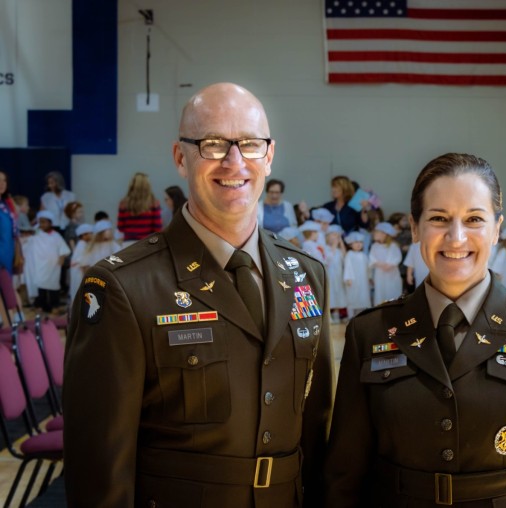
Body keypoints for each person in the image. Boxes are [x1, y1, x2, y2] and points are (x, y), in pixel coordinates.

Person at [63, 82, 333, 508]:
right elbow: (98, 466)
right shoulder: (123, 288)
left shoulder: (307, 274)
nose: (234, 161)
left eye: (249, 143)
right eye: (212, 144)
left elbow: (315, 432)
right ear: (179, 158)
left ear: (269, 154)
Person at [324, 152, 506, 507]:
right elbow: (344, 474)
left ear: (497, 228)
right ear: (415, 227)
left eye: (474, 219)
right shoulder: (371, 332)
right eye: (439, 218)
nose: (456, 238)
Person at [22, 210, 71, 313]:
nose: (42, 224)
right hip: (39, 266)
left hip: (53, 266)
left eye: (44, 222)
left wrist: (61, 259)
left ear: (50, 223)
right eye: (40, 222)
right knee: (40, 286)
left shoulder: (56, 235)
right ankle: (39, 306)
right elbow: (27, 242)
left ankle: (54, 306)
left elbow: (63, 249)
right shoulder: (36, 234)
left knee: (53, 286)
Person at [117, 172, 163, 247]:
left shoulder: (123, 204)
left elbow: (120, 227)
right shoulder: (154, 203)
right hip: (147, 243)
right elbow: (157, 227)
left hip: (128, 243)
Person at [369, 221, 403, 306]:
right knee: (380, 291)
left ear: (384, 234)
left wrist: (390, 264)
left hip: (391, 274)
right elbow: (371, 258)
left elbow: (397, 257)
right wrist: (379, 264)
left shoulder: (393, 246)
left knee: (392, 290)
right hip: (379, 274)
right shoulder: (375, 246)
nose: (374, 233)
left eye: (377, 232)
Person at [342, 231, 371, 318]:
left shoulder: (364, 255)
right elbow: (348, 267)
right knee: (353, 297)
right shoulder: (349, 255)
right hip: (353, 281)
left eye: (360, 242)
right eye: (356, 242)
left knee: (363, 296)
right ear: (350, 244)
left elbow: (368, 268)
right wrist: (348, 278)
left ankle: (361, 316)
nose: (359, 244)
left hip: (363, 281)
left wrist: (370, 277)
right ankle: (351, 317)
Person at [0, 171, 23, 276]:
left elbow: (14, 232)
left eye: (4, 180)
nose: (2, 183)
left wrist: (17, 253)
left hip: (8, 253)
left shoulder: (7, 204)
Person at [325, 224, 347, 323]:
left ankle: (337, 313)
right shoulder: (325, 248)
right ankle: (329, 314)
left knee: (339, 293)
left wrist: (341, 243)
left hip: (338, 275)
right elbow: (328, 259)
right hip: (330, 275)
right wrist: (334, 245)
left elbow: (344, 256)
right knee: (330, 294)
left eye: (337, 235)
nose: (335, 237)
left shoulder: (338, 250)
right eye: (333, 235)